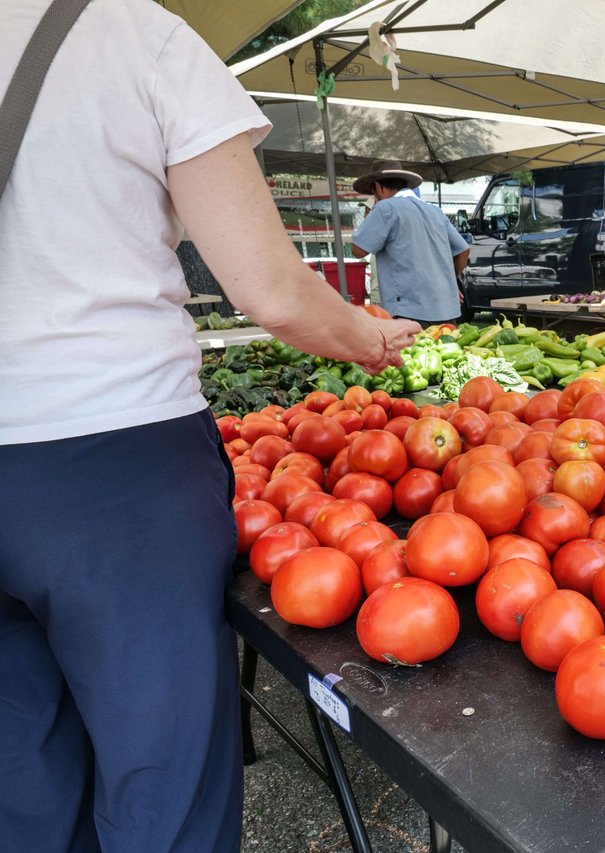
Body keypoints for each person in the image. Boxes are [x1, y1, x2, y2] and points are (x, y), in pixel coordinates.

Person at [0, 2, 421, 850]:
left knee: (21, 775)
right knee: (161, 775)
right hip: (109, 467)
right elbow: (267, 287)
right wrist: (366, 338)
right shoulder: (136, 35)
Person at [351, 161, 471, 325]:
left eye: (374, 193)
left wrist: (369, 219)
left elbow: (358, 251)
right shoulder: (434, 210)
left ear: (378, 187)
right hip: (446, 310)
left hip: (408, 311)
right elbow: (463, 250)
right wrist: (448, 281)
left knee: (412, 352)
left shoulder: (385, 208)